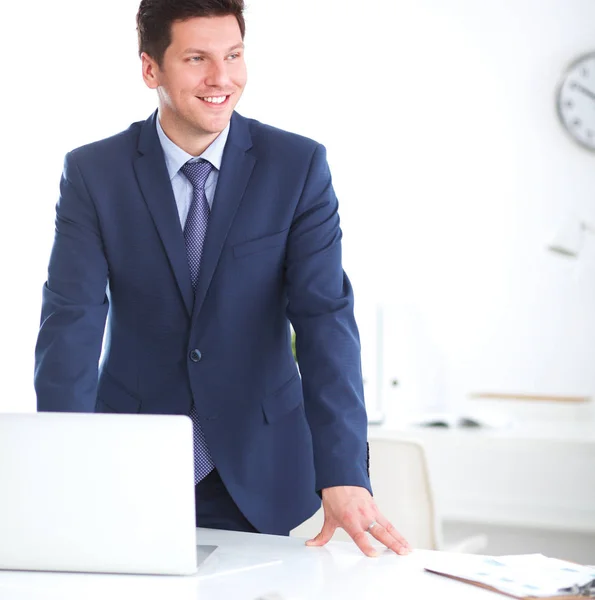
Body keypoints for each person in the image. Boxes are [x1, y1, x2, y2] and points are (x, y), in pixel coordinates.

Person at [34, 0, 411, 558]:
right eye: (197, 59)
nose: (222, 79)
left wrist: (344, 471)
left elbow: (325, 319)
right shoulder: (95, 173)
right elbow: (72, 322)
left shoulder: (297, 166)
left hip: (263, 469)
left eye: (233, 55)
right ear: (150, 69)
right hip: (132, 465)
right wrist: (67, 468)